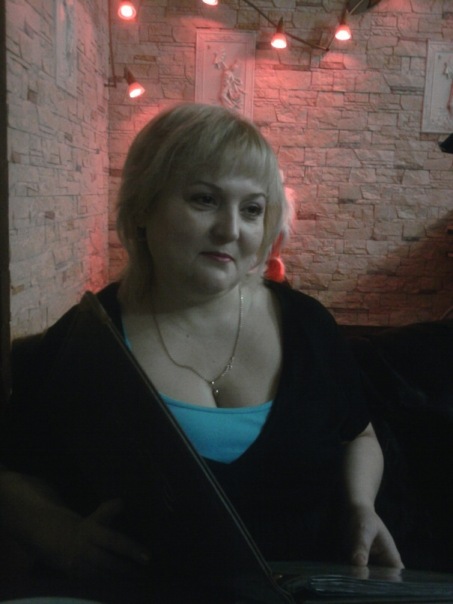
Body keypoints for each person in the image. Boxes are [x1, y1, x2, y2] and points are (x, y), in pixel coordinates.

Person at [0, 103, 403, 602]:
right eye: (204, 200)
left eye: (252, 209)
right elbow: (12, 470)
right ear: (143, 207)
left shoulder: (308, 325)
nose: (231, 229)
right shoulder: (87, 341)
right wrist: (57, 535)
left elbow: (359, 434)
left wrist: (361, 506)